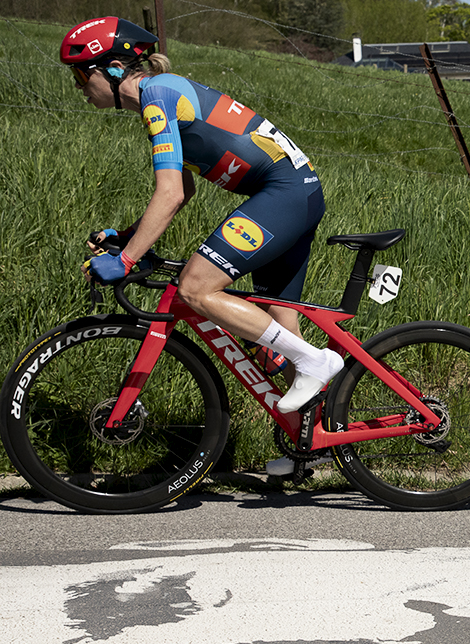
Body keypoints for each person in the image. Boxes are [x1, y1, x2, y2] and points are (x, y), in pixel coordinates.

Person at [61, 17, 341, 474]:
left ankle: (318, 362)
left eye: (80, 75)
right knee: (280, 326)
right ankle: (312, 444)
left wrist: (127, 259)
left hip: (284, 193)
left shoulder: (157, 97)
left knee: (195, 288)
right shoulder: (161, 93)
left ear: (112, 70)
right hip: (295, 192)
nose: (78, 87)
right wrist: (130, 236)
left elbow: (170, 193)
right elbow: (185, 190)